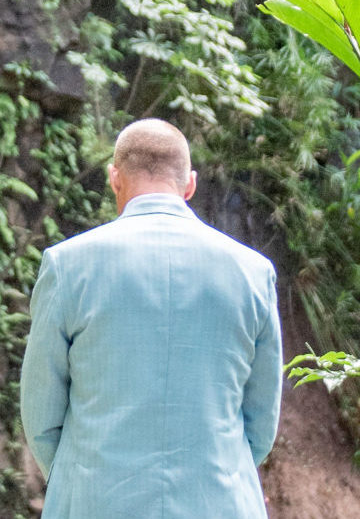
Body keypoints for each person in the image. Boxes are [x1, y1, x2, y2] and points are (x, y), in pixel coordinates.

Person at [19, 118, 282, 518]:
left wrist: (84, 482)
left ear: (114, 178)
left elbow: (41, 417)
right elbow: (261, 425)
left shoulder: (68, 266)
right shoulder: (253, 273)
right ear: (189, 185)